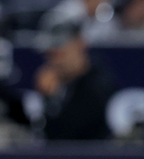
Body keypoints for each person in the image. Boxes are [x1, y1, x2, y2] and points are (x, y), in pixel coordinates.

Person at [34, 9, 115, 142]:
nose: (56, 61)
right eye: (50, 55)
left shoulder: (99, 86)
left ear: (80, 43)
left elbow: (65, 137)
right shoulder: (57, 83)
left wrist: (51, 100)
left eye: (60, 53)